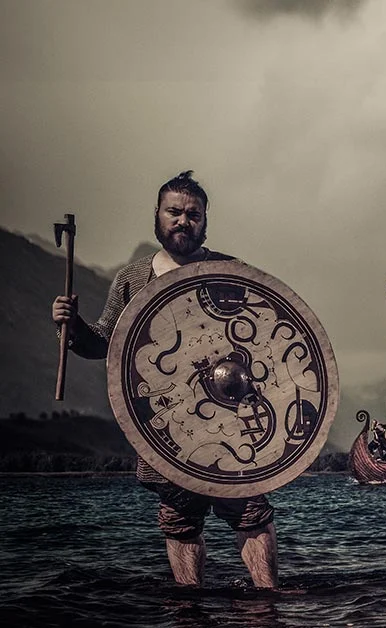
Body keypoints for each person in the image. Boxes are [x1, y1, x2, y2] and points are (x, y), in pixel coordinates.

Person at [50, 171, 278, 588]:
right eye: (174, 211)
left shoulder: (230, 271)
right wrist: (73, 328)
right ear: (157, 216)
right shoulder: (133, 280)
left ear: (205, 219)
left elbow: (267, 343)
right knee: (180, 519)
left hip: (230, 423)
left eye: (193, 214)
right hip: (166, 426)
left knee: (249, 510)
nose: (183, 221)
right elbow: (106, 343)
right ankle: (190, 609)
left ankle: (267, 605)